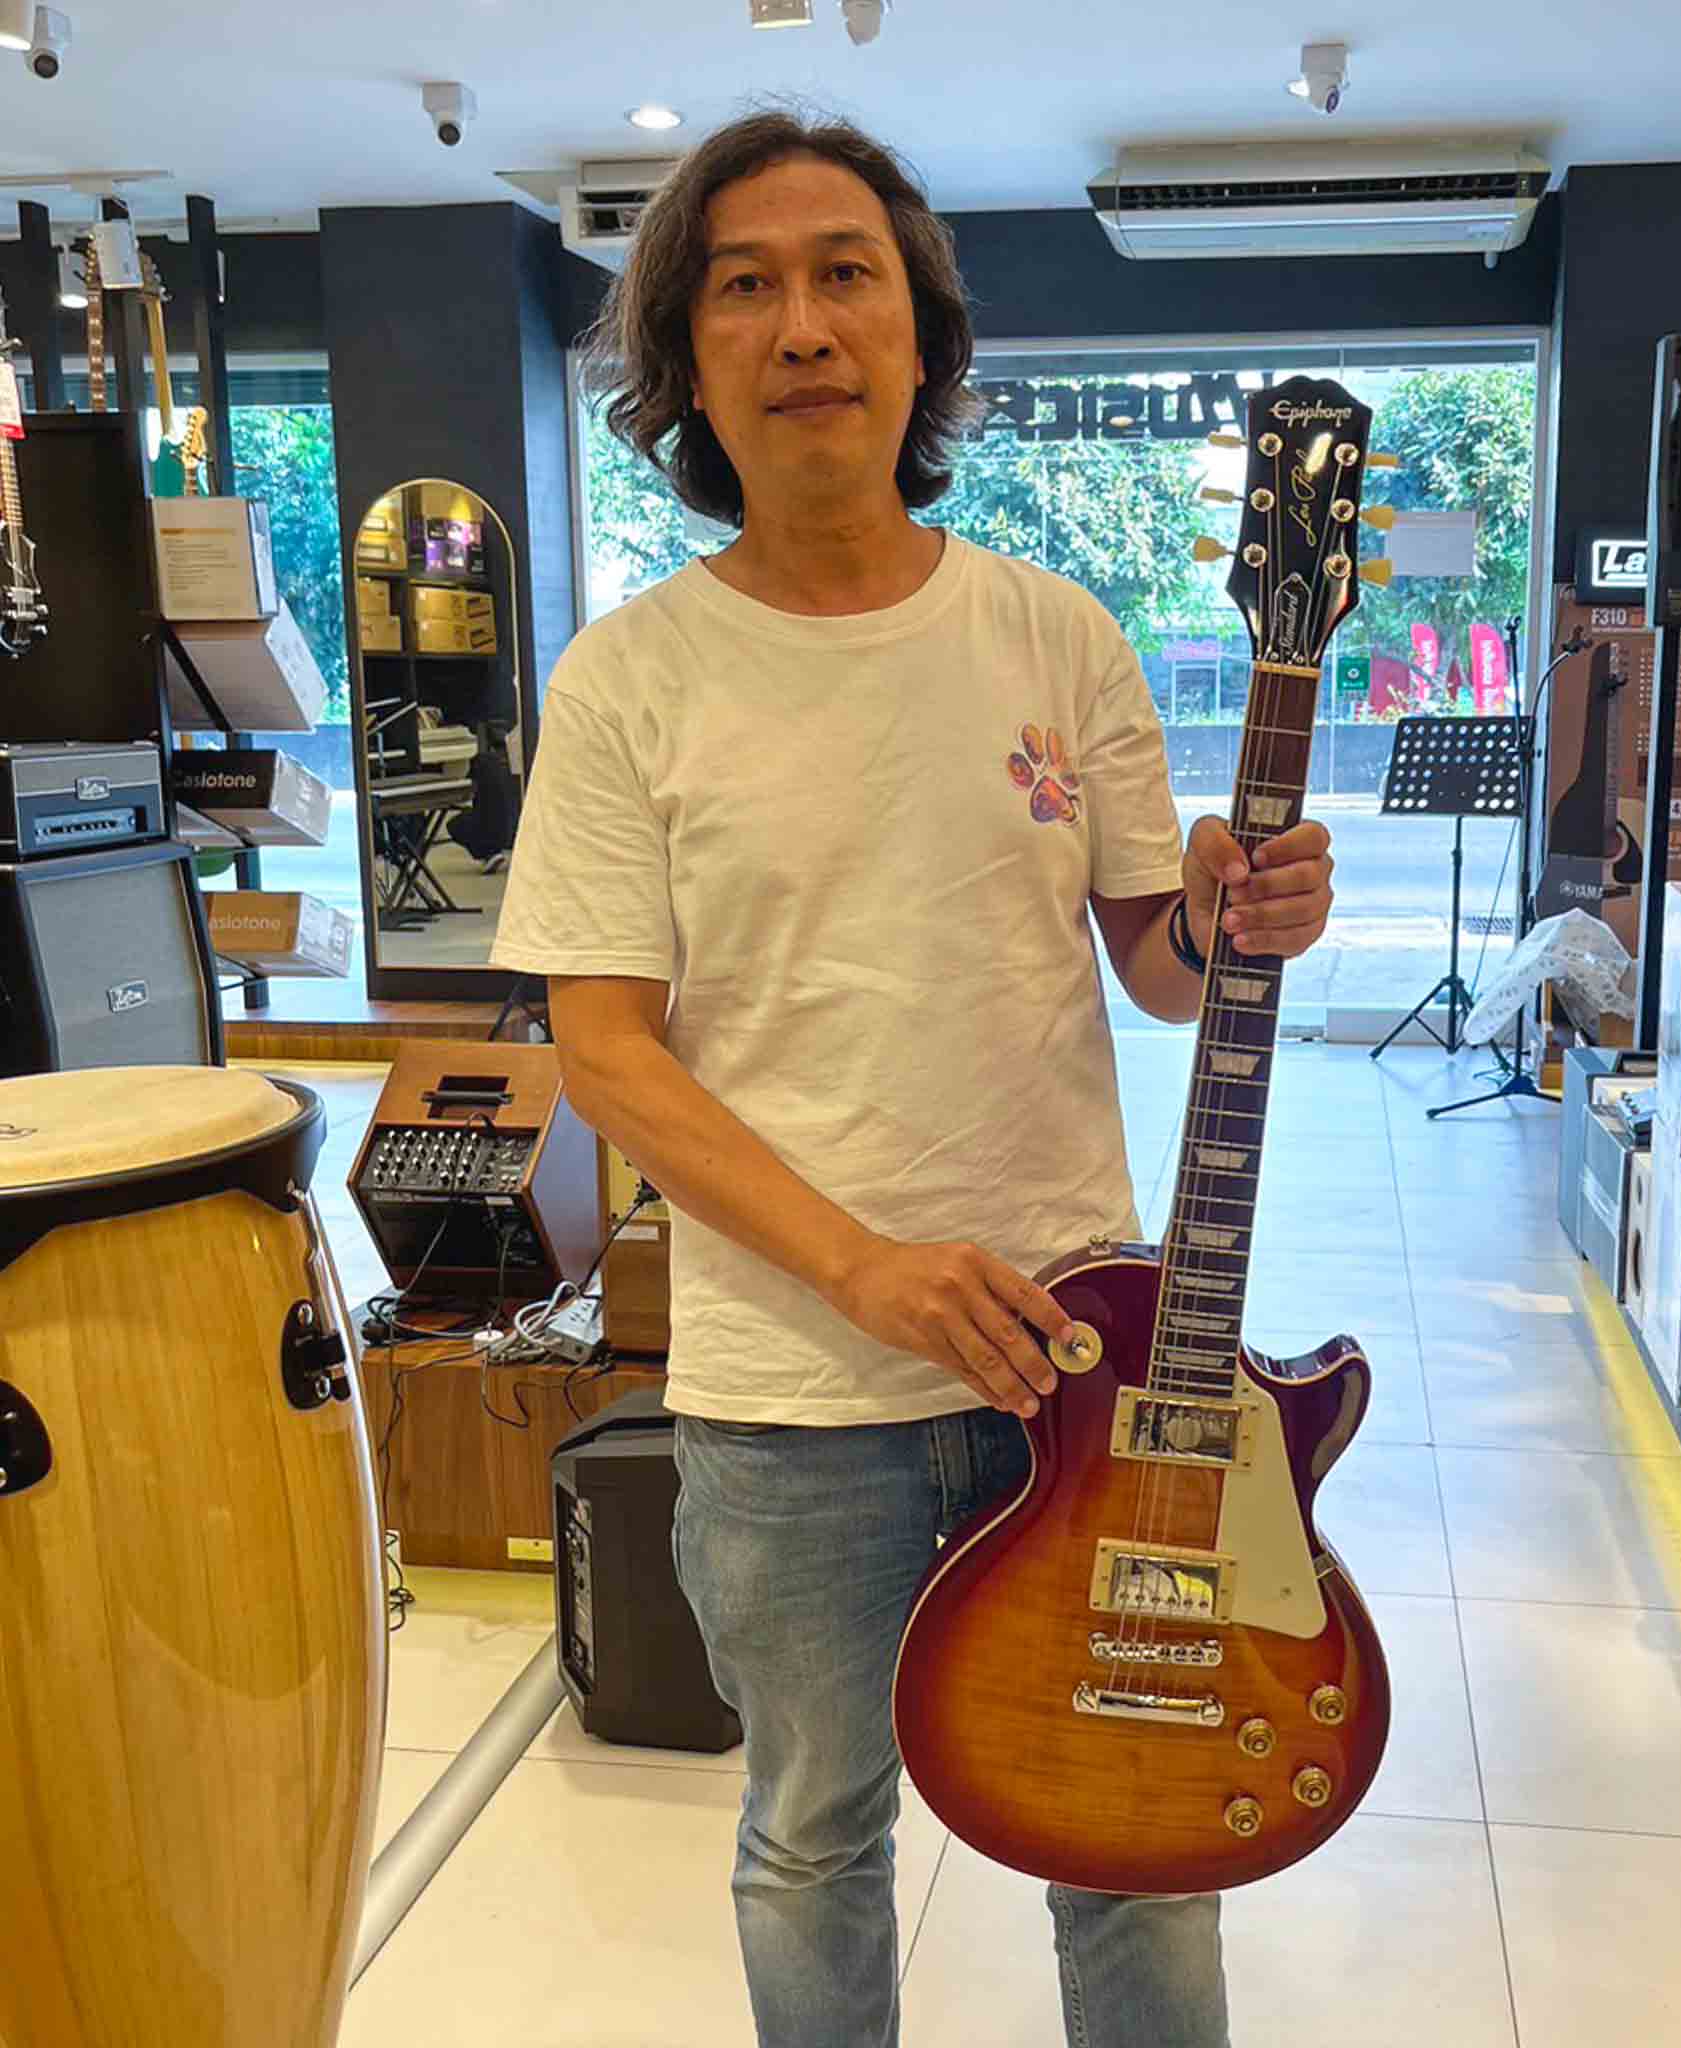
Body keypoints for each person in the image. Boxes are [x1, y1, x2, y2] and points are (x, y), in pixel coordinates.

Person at [491, 110, 1337, 2048]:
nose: (802, 324)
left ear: (922, 335)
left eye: (844, 274)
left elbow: (1159, 968)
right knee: (813, 1832)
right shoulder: (629, 680)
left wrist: (1235, 918)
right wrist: (862, 1265)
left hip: (1088, 1361)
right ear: (689, 358)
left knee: (1134, 1829)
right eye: (745, 285)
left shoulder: (1054, 633)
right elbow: (605, 1047)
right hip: (792, 1399)